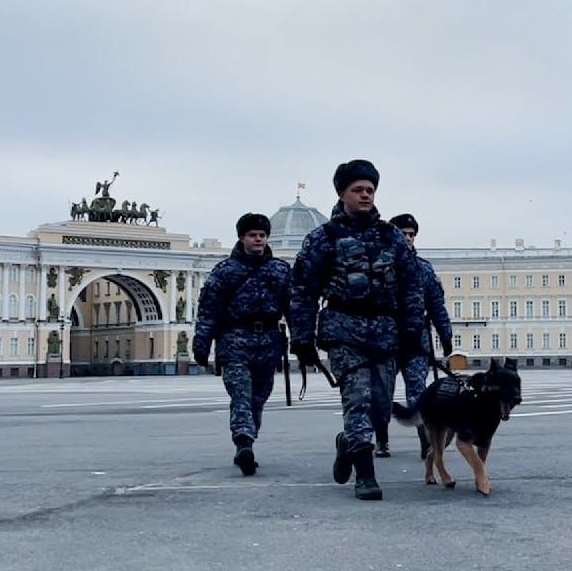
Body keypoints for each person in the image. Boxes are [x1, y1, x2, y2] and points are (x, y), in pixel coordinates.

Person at [287, 159, 424, 501]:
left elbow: (411, 288)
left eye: (370, 190)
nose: (365, 195)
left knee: (381, 408)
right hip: (344, 332)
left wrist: (411, 332)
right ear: (341, 193)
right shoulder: (323, 238)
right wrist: (301, 338)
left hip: (384, 333)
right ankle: (365, 474)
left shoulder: (391, 236)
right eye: (358, 190)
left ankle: (347, 441)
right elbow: (303, 290)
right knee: (358, 400)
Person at [192, 212, 292, 477]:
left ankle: (248, 439)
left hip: (269, 341)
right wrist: (201, 344)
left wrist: (303, 340)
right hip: (235, 340)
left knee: (259, 397)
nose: (258, 239)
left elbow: (293, 307)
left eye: (261, 235)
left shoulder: (280, 270)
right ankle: (243, 443)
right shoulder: (225, 272)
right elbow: (208, 310)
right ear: (242, 238)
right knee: (241, 395)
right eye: (252, 235)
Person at [375, 212, 453, 460]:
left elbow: (437, 305)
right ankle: (382, 440)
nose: (408, 238)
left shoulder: (424, 270)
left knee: (418, 393)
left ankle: (426, 442)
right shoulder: (379, 265)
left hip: (416, 340)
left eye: (411, 234)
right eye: (403, 233)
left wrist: (446, 335)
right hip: (385, 338)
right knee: (382, 391)